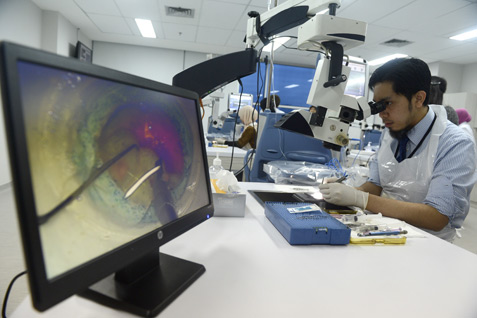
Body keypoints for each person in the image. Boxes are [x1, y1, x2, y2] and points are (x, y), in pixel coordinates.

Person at [319, 57, 477, 241]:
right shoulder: (391, 131)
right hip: (387, 231)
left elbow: (437, 216)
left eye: (387, 103)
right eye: (377, 105)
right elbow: (376, 185)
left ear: (419, 98)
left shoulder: (455, 143)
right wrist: (345, 192)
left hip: (430, 245)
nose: (381, 113)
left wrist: (360, 198)